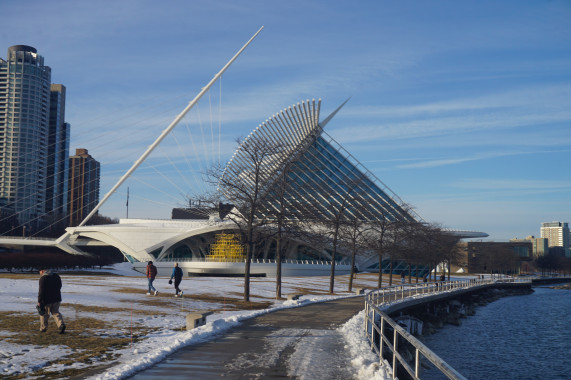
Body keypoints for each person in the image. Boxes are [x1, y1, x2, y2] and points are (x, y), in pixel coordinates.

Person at [37, 268, 66, 334]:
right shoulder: (56, 276)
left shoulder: (43, 278)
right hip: (57, 298)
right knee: (55, 312)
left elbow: (41, 291)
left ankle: (43, 328)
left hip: (46, 300)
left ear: (43, 270)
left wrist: (39, 301)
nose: (40, 273)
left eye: (40, 271)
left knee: (44, 314)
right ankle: (61, 325)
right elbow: (60, 286)